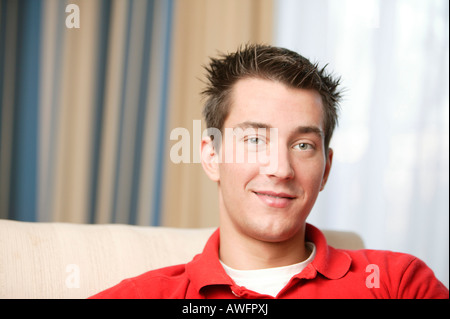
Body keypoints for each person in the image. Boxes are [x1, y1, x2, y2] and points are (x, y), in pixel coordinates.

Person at [90, 44, 448, 299]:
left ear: (326, 170)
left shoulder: (399, 283)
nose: (280, 169)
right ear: (212, 157)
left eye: (303, 145)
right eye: (255, 139)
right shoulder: (144, 295)